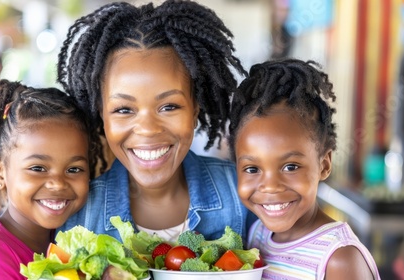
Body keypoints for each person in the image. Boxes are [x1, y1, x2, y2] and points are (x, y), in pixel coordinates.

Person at [56, 0, 256, 243]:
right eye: (123, 109)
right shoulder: (78, 215)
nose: (148, 129)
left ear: (195, 107)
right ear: (101, 113)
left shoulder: (245, 194)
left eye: (169, 106)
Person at [228, 59, 380, 279]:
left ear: (324, 165)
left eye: (290, 167)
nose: (270, 186)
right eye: (252, 169)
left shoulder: (339, 258)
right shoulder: (257, 235)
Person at [0, 79, 92, 279]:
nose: (58, 183)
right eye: (38, 168)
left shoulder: (69, 239)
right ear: (0, 174)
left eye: (74, 169)